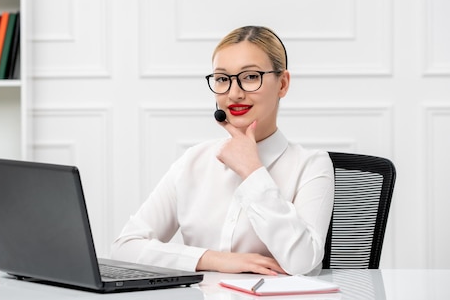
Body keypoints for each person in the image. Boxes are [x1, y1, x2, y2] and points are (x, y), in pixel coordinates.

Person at [110, 26, 334, 276]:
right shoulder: (193, 161)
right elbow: (124, 248)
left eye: (250, 77)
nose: (234, 93)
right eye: (222, 79)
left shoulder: (311, 165)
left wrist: (252, 171)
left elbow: (303, 263)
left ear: (282, 84)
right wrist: (214, 259)